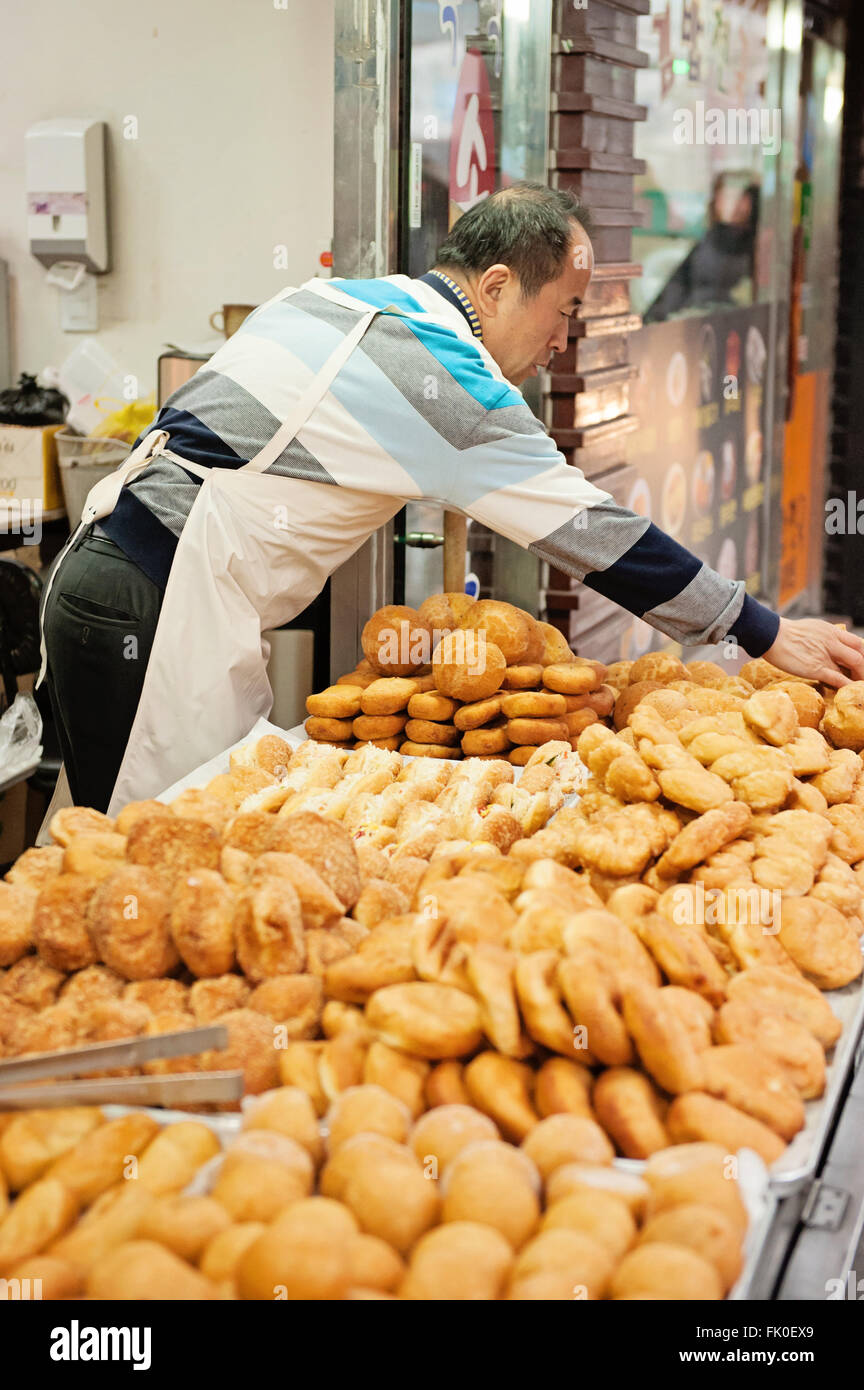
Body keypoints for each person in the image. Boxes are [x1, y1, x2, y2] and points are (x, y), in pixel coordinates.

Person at [40, 182, 864, 813]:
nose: (562, 340)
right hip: (154, 606)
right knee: (167, 856)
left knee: (138, 842)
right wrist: (761, 628)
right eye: (563, 310)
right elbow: (594, 533)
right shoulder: (448, 379)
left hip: (95, 581)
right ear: (499, 284)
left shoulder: (332, 298)